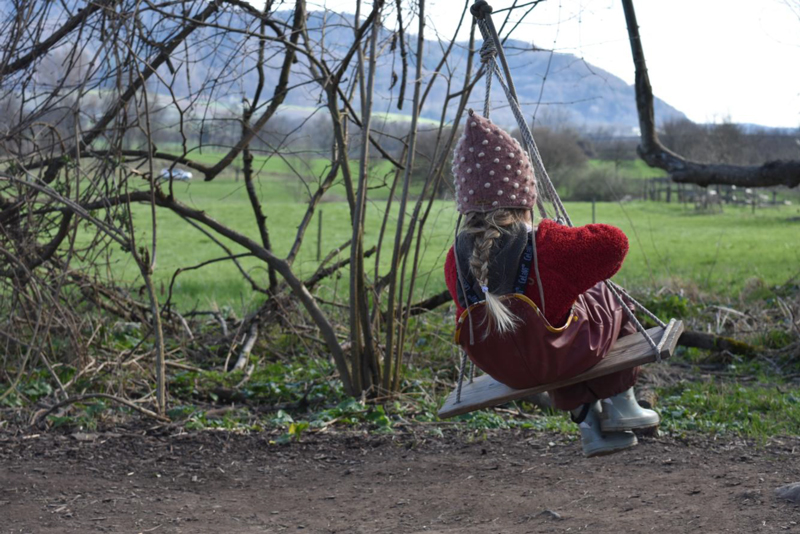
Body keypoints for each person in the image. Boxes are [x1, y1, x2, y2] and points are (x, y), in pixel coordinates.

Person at [444, 110, 658, 457]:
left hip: (506, 370)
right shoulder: (548, 245)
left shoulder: (456, 258)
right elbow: (614, 243)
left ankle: (590, 427)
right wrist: (559, 232)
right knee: (602, 293)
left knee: (549, 326)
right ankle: (622, 403)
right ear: (524, 193)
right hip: (561, 358)